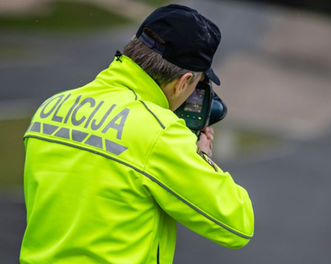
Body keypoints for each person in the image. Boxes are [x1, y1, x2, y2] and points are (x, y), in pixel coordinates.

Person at [20, 4, 254, 264]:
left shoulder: (52, 107)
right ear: (183, 81)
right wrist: (201, 157)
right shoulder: (160, 133)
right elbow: (238, 224)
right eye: (197, 85)